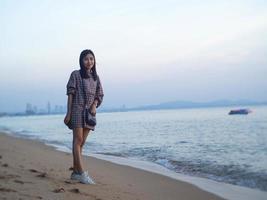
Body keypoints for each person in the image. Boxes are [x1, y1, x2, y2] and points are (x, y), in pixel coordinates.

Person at [64, 49, 104, 184]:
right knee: (78, 140)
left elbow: (100, 94)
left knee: (82, 143)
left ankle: (75, 171)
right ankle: (81, 173)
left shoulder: (96, 78)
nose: (89, 61)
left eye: (91, 59)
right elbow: (70, 93)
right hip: (76, 110)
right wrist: (68, 113)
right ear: (81, 61)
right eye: (86, 59)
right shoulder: (75, 74)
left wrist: (95, 104)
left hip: (89, 114)